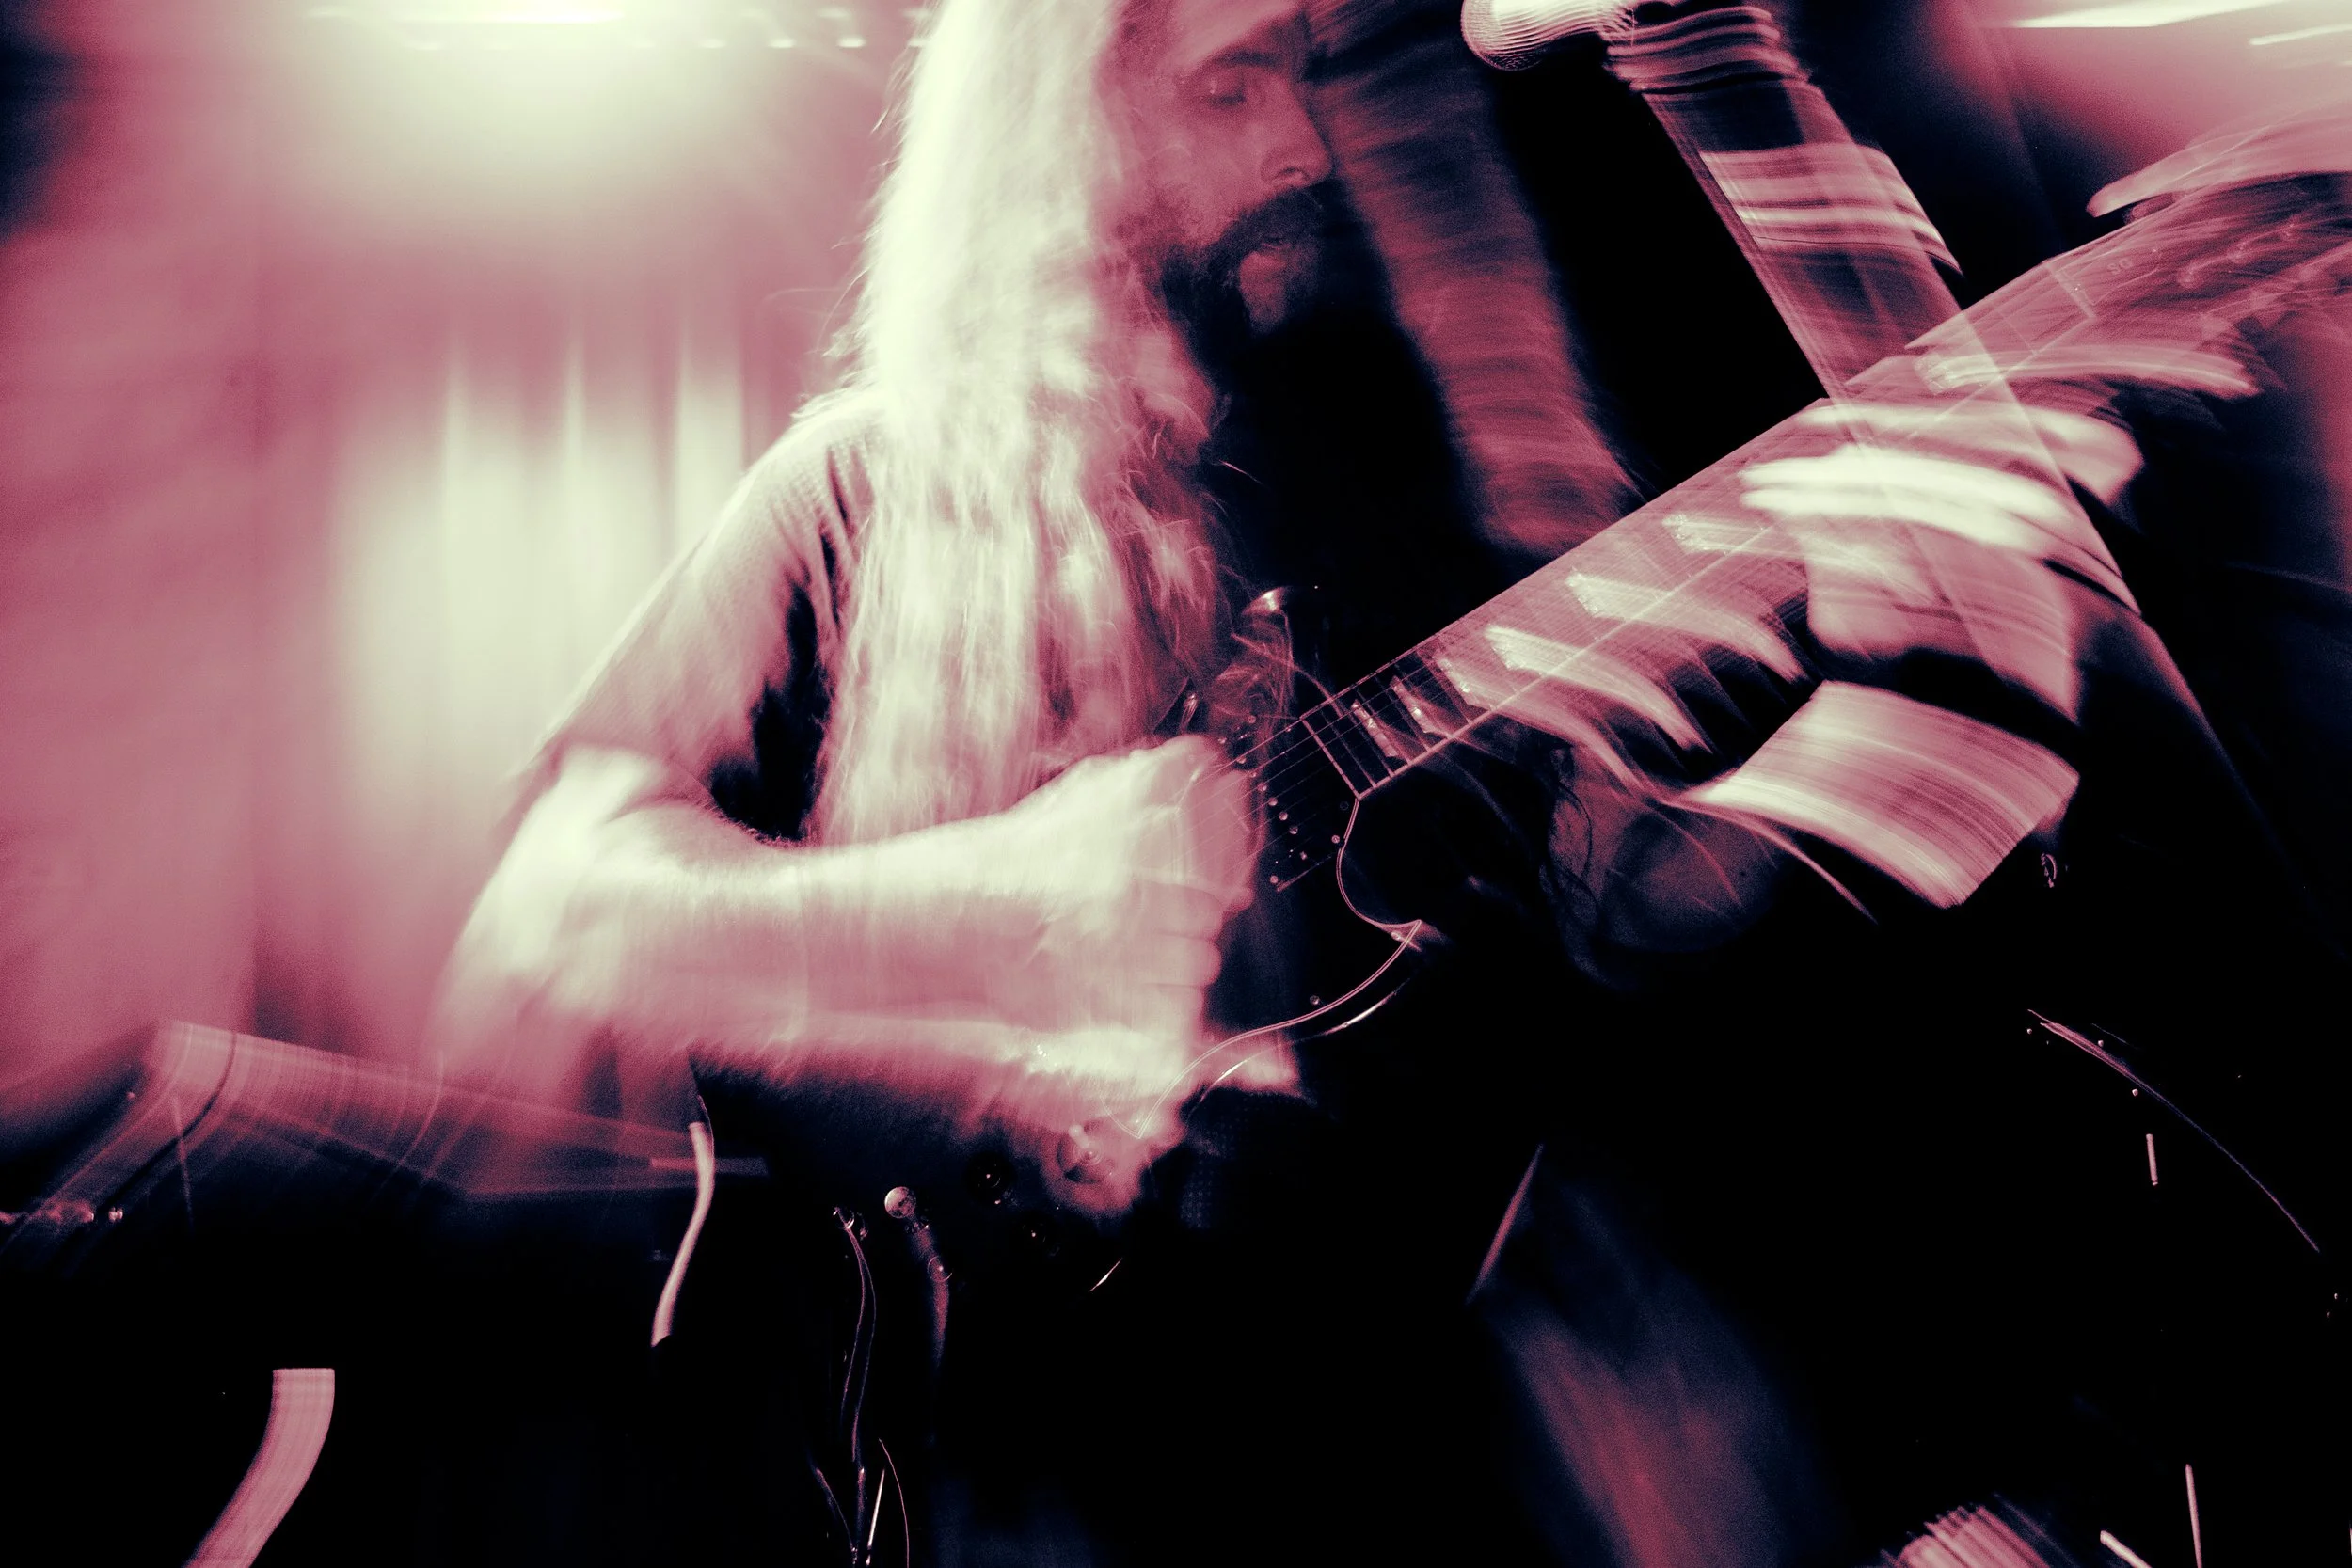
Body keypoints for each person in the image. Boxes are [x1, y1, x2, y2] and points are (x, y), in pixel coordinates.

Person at [421, 0, 2221, 1562]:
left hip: (1465, 1454)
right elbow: (548, 919)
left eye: (1296, 76)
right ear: (1064, 132)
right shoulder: (866, 500)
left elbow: (1640, 910)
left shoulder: (1395, 501)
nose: (1301, 142)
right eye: (1227, 87)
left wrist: (1932, 697)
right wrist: (979, 921)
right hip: (1038, 1479)